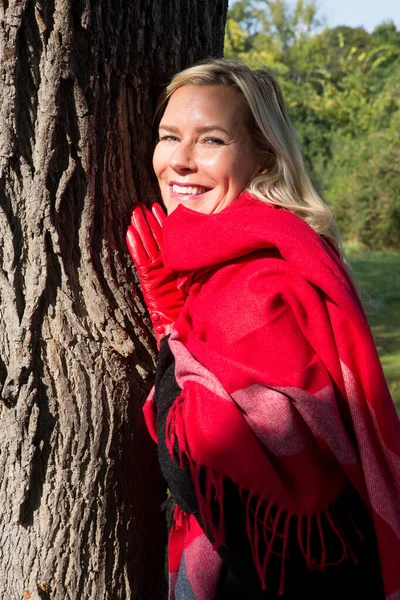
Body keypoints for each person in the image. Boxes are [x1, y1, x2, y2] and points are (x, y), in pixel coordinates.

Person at [126, 59, 400, 600]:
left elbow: (197, 467)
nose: (178, 161)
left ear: (263, 157)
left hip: (285, 575)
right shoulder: (232, 258)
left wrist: (170, 331)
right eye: (169, 136)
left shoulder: (263, 282)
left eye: (211, 141)